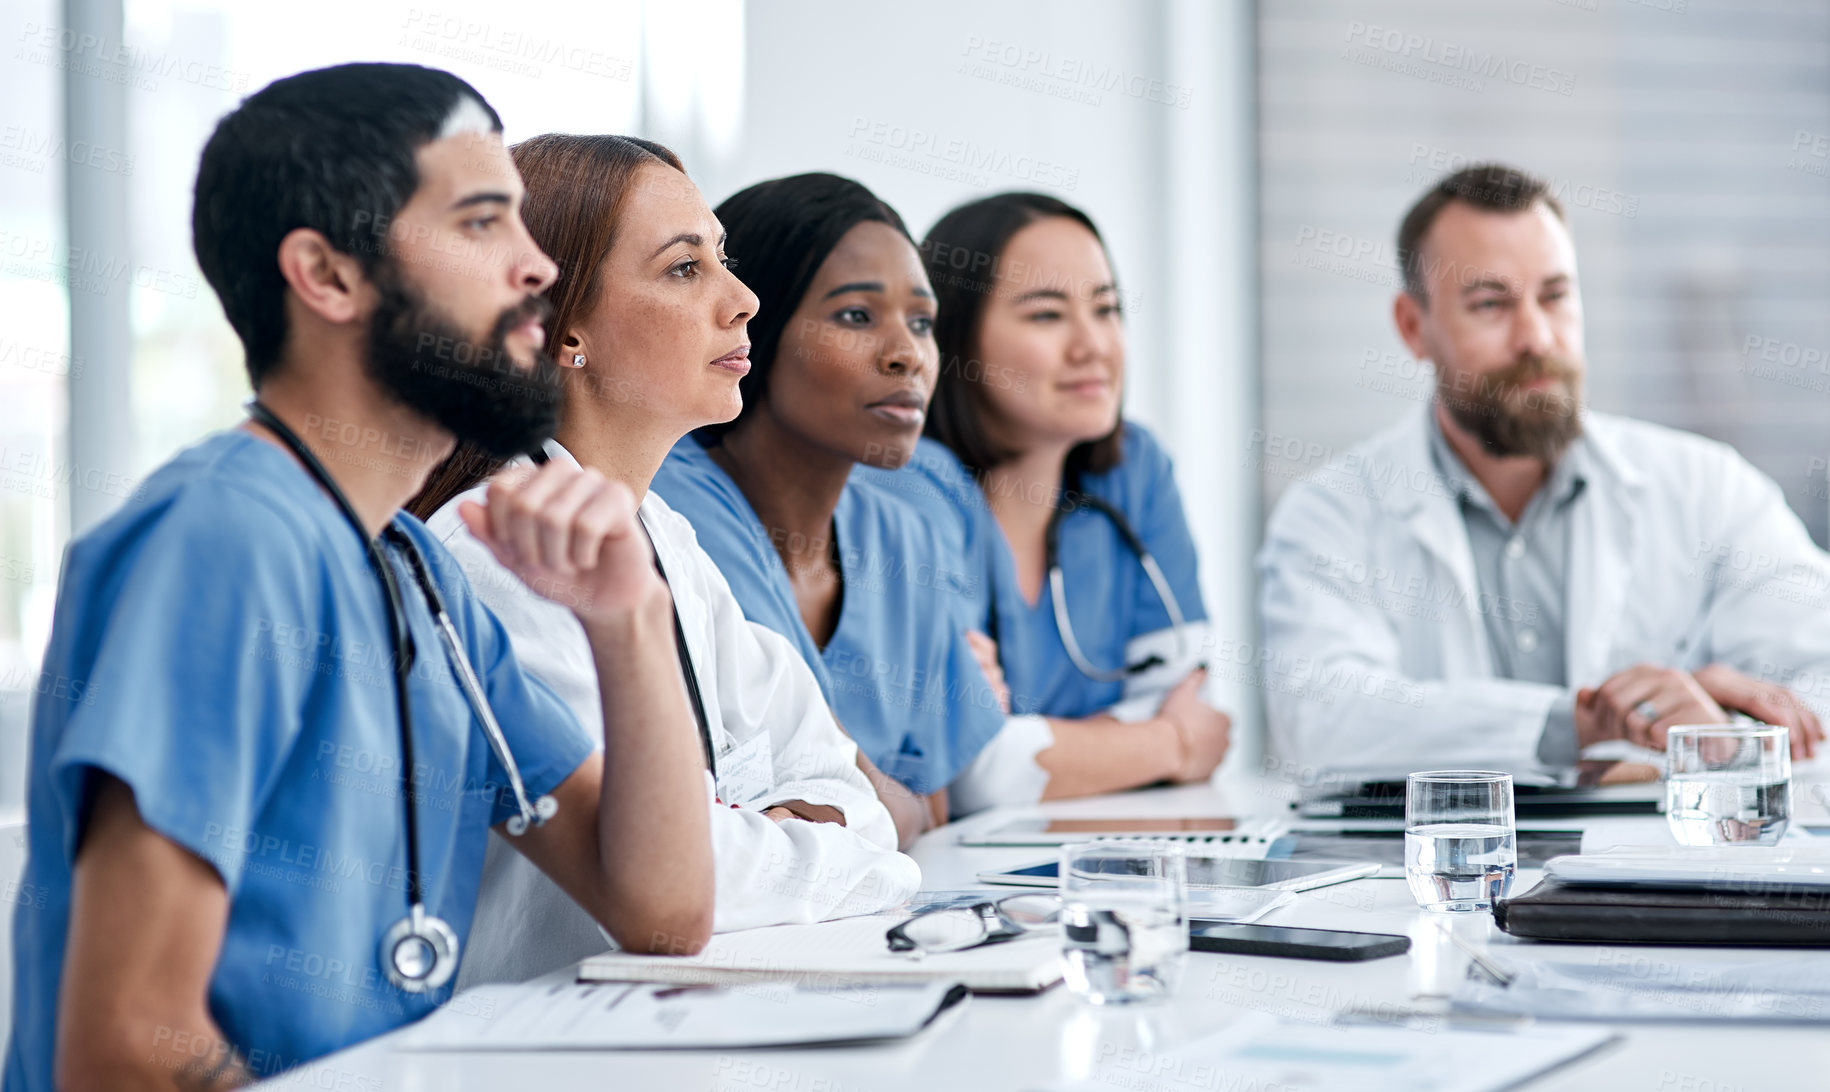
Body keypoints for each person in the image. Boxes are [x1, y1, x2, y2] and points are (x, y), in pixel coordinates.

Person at [6, 64, 717, 1092]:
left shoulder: (415, 569)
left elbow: (663, 908)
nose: (537, 268)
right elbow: (127, 1047)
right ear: (327, 276)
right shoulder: (224, 538)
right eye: (483, 225)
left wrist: (630, 615)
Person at [407, 144, 918, 989]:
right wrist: (798, 842)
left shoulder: (663, 536)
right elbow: (682, 887)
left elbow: (850, 795)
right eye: (685, 269)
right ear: (560, 327)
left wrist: (779, 834)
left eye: (726, 260)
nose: (743, 300)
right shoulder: (500, 553)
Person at [1259, 162, 1830, 779]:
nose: (1535, 336)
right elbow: (1321, 722)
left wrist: (1721, 731)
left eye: (1555, 296)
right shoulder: (1333, 512)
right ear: (1411, 327)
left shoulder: (1709, 489)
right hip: (1431, 876)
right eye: (1489, 304)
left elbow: (1818, 677)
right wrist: (1584, 723)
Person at [652, 173, 1023, 820]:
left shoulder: (903, 538)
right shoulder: (675, 505)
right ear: (751, 330)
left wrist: (877, 806)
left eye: (922, 322)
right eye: (856, 315)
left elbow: (930, 805)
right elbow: (790, 802)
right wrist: (882, 806)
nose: (907, 354)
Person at [861, 192, 1231, 800]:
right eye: (1047, 315)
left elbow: (1196, 702)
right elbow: (963, 770)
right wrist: (1170, 743)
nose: (1093, 345)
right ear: (952, 336)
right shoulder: (908, 485)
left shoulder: (1135, 472)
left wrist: (1032, 748)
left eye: (1107, 309)